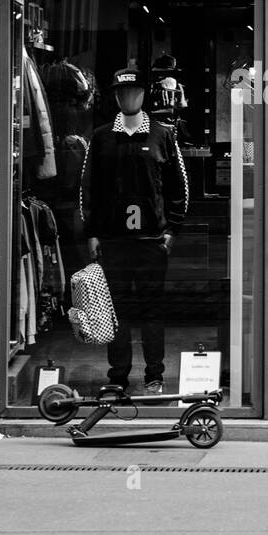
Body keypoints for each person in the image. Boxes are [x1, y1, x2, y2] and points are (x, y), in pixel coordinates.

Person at [80, 67, 188, 394]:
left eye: (135, 92)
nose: (129, 97)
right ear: (115, 96)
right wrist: (92, 232)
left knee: (153, 310)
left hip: (152, 240)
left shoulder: (162, 134)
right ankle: (118, 377)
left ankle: (155, 375)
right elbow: (89, 188)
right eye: (123, 93)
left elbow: (179, 186)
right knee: (117, 311)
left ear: (143, 95)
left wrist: (172, 230)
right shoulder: (100, 137)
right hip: (114, 241)